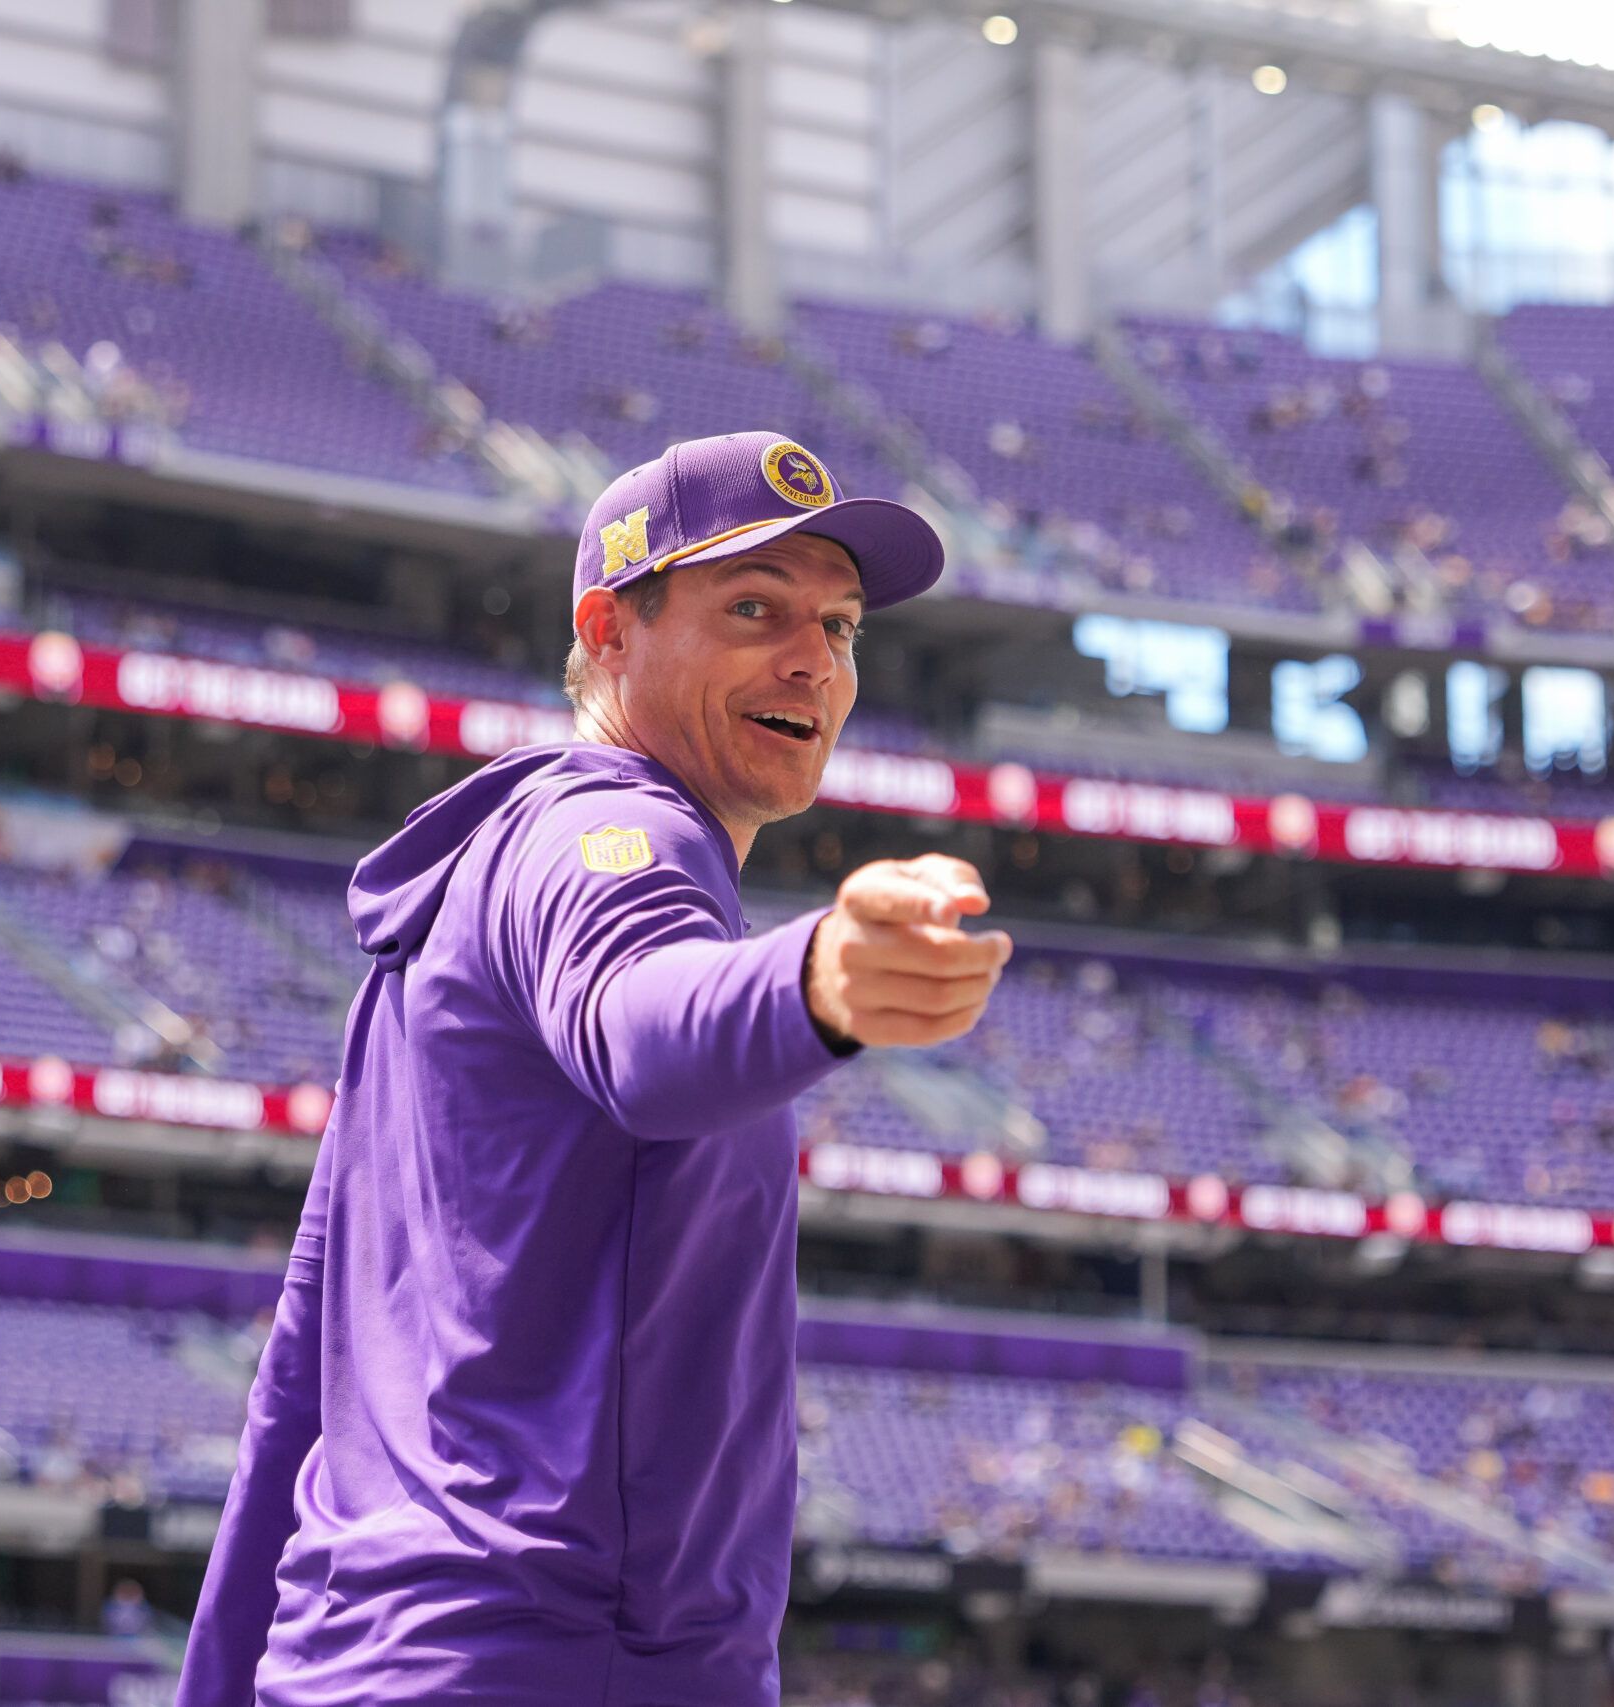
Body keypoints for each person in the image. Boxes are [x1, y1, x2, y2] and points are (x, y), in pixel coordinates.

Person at [176, 431, 1010, 1706]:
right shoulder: (608, 835)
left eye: (840, 627)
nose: (814, 660)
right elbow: (643, 1021)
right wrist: (813, 983)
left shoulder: (480, 881)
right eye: (753, 609)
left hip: (370, 1657)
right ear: (608, 632)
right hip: (556, 1659)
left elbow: (305, 1375)